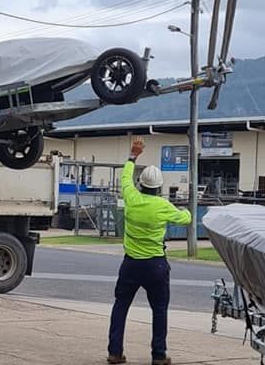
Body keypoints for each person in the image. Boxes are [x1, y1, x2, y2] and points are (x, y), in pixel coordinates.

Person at [107, 137, 191, 365]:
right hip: (156, 264)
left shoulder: (131, 198)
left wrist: (133, 155)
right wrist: (182, 209)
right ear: (159, 187)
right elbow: (186, 218)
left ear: (140, 183)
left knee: (121, 305)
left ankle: (115, 352)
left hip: (131, 262)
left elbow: (125, 177)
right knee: (160, 310)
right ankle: (158, 355)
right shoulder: (163, 207)